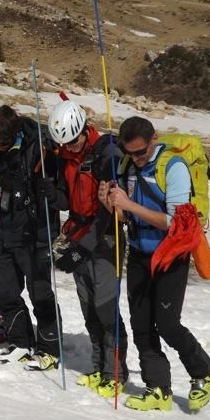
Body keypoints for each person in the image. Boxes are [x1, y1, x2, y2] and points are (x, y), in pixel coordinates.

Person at [99, 116, 210, 411]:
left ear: (155, 139)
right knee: (141, 325)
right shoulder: (127, 167)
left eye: (142, 152)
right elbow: (126, 217)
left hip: (170, 255)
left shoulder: (173, 168)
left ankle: (202, 373)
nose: (136, 159)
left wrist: (129, 204)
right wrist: (109, 204)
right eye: (130, 153)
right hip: (138, 253)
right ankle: (158, 388)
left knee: (167, 324)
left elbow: (174, 222)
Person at [45, 100, 128, 397]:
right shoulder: (66, 155)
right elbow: (68, 201)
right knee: (88, 307)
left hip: (105, 237)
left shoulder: (106, 153)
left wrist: (85, 246)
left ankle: (115, 372)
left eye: (74, 141)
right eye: (65, 144)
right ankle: (97, 366)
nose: (71, 148)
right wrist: (51, 194)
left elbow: (109, 211)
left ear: (83, 129)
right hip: (78, 233)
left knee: (106, 308)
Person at [0, 105, 62, 368]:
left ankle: (50, 350)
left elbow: (54, 186)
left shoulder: (39, 147)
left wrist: (37, 188)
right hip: (4, 226)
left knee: (40, 292)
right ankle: (21, 342)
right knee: (4, 290)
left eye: (4, 143)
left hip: (34, 230)